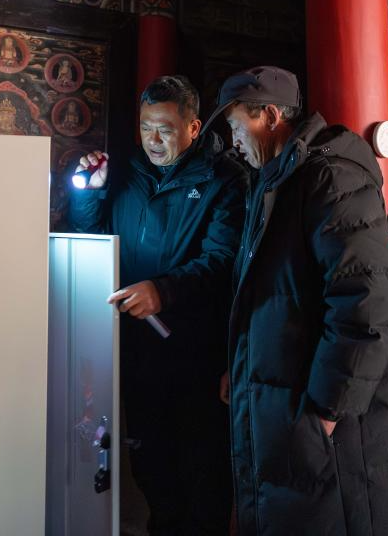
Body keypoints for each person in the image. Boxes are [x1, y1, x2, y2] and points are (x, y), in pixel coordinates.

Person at [208, 67, 388, 535]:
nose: (233, 141)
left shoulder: (331, 178)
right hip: (290, 403)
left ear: (270, 117)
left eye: (235, 126)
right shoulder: (272, 181)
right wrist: (242, 368)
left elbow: (368, 304)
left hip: (342, 428)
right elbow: (267, 298)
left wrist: (328, 412)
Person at [69, 75, 248, 536]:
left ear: (193, 127)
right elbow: (92, 239)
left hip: (196, 352)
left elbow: (222, 260)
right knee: (151, 467)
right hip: (135, 348)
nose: (153, 139)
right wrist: (88, 194)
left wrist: (163, 292)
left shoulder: (225, 179)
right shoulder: (127, 171)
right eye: (146, 127)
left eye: (165, 129)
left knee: (201, 471)